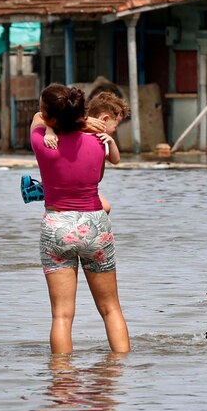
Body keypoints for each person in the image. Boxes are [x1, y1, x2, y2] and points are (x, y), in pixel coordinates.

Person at [31, 83, 130, 355]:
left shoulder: (42, 142)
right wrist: (85, 124)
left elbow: (37, 119)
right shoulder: (98, 142)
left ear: (51, 117)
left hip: (58, 226)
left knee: (61, 315)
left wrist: (57, 125)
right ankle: (121, 369)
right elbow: (98, 177)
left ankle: (61, 374)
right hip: (95, 225)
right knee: (111, 309)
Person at [37, 91, 126, 213]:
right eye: (115, 126)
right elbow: (49, 121)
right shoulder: (78, 132)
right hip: (70, 182)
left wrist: (111, 142)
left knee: (106, 208)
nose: (115, 130)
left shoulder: (103, 139)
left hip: (84, 187)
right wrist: (49, 131)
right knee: (105, 207)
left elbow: (115, 160)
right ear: (105, 119)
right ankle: (43, 186)